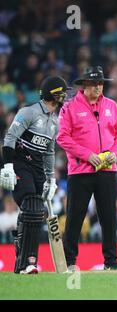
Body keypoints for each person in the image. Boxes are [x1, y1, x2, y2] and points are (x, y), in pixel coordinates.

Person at [57, 66, 117, 270]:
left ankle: (111, 262)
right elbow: (62, 137)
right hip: (80, 171)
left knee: (108, 217)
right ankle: (69, 262)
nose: (99, 87)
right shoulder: (69, 107)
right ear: (84, 85)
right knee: (75, 217)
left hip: (107, 169)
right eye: (95, 83)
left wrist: (116, 153)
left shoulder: (112, 106)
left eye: (101, 83)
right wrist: (87, 155)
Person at [0, 76, 67, 274]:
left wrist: (51, 179)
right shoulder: (29, 112)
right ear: (52, 94)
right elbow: (10, 137)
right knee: (30, 205)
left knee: (36, 213)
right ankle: (28, 263)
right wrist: (8, 166)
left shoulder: (55, 121)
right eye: (62, 92)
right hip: (21, 165)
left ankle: (22, 262)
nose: (65, 95)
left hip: (38, 170)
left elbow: (48, 152)